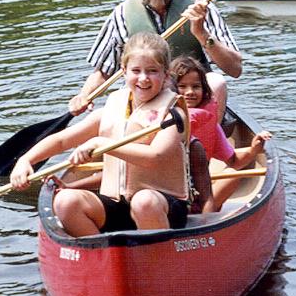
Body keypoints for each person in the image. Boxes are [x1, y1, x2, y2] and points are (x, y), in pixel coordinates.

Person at [11, 33, 190, 236]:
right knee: (65, 201)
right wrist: (26, 160)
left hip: (161, 207)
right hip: (116, 204)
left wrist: (100, 142)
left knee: (144, 201)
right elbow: (61, 140)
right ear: (123, 71)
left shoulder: (173, 114)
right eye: (136, 71)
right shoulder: (113, 108)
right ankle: (103, 256)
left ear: (166, 75)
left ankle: (158, 259)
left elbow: (155, 158)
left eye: (152, 71)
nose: (143, 78)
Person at [69, 0, 242, 119]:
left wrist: (201, 33)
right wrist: (83, 95)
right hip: (144, 97)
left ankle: (205, 139)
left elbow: (235, 69)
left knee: (216, 82)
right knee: (115, 100)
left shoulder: (200, 7)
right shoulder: (121, 15)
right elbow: (103, 71)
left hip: (191, 99)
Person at [169, 55, 272, 213]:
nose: (190, 92)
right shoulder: (162, 120)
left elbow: (234, 161)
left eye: (196, 86)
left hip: (199, 193)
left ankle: (205, 213)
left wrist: (253, 150)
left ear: (204, 90)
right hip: (169, 194)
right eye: (182, 86)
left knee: (233, 174)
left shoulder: (209, 125)